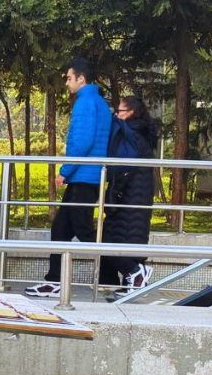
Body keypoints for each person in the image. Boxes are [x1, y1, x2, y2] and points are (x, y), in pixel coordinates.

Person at [26, 58, 111, 297]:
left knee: (83, 230)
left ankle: (126, 269)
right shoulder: (101, 103)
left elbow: (82, 142)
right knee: (61, 229)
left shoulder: (85, 102)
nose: (66, 83)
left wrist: (65, 172)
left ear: (81, 79)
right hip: (89, 175)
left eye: (69, 78)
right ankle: (54, 281)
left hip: (84, 176)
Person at [99, 96, 159, 293]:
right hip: (136, 193)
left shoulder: (131, 133)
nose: (116, 115)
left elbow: (124, 165)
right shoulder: (139, 132)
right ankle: (128, 282)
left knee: (108, 240)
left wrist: (115, 190)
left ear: (131, 113)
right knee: (130, 238)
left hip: (129, 193)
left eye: (120, 111)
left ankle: (136, 272)